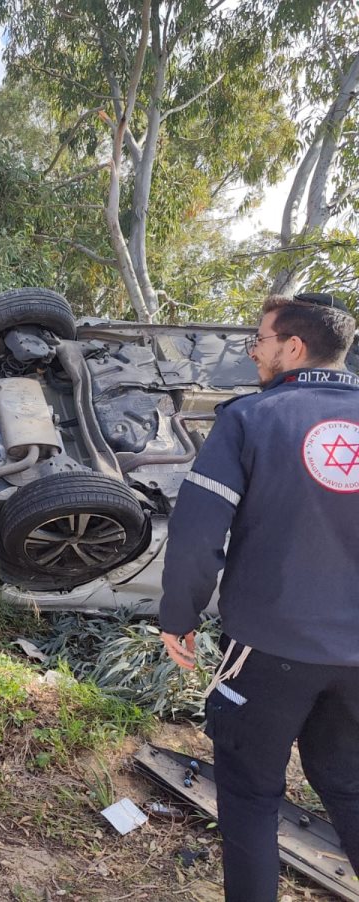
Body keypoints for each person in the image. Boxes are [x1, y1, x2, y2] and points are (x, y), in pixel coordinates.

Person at [159, 291, 359, 900]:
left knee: (248, 794)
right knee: (349, 786)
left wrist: (179, 615)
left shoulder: (250, 418)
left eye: (260, 342)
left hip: (269, 651)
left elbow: (196, 534)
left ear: (293, 348)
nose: (254, 353)